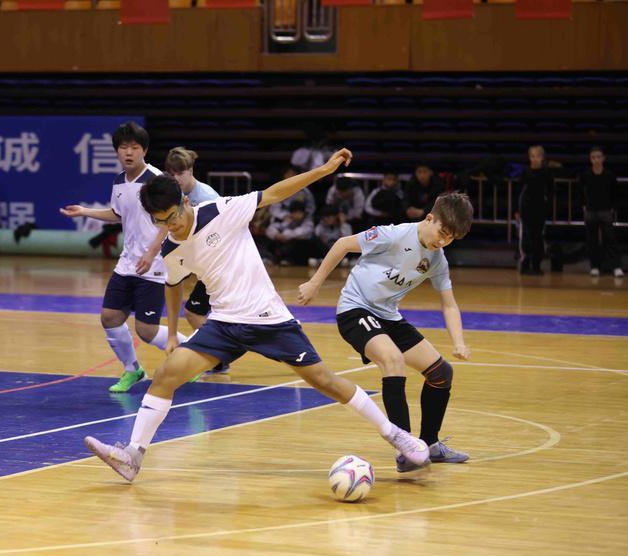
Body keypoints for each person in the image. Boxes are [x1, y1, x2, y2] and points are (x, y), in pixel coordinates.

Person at [83, 148, 432, 483]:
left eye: (173, 216)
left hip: (268, 319)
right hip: (224, 323)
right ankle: (133, 455)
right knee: (165, 375)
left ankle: (395, 434)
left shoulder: (221, 210)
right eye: (161, 221)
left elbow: (275, 193)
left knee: (326, 381)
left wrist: (325, 170)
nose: (171, 225)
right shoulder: (171, 249)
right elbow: (173, 286)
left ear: (185, 202)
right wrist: (172, 332)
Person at [297, 192, 475, 473]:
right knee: (393, 360)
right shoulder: (394, 235)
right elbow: (343, 244)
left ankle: (429, 444)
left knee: (441, 373)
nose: (443, 241)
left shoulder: (437, 259)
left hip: (388, 316)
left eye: (451, 238)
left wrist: (459, 342)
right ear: (430, 218)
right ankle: (405, 450)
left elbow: (449, 304)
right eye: (442, 233)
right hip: (355, 310)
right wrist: (315, 283)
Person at [60, 122, 191, 393]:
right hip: (127, 262)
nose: (128, 152)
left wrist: (152, 251)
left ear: (144, 150)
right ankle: (133, 370)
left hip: (155, 263)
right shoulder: (119, 181)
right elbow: (118, 214)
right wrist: (85, 211)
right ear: (117, 151)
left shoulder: (157, 180)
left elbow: (173, 217)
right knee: (109, 317)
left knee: (146, 330)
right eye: (123, 147)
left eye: (134, 147)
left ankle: (194, 354)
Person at [165, 146, 230, 374]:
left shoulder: (207, 198)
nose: (176, 178)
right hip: (205, 263)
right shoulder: (173, 196)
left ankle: (223, 355)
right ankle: (220, 359)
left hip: (222, 261)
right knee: (198, 312)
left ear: (191, 170)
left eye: (181, 173)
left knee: (194, 313)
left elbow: (223, 233)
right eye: (172, 173)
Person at [580, 146, 623, 278]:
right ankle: (595, 266)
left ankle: (616, 266)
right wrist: (584, 206)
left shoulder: (609, 175)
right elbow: (581, 192)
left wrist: (612, 207)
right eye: (593, 157)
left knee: (610, 238)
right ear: (590, 159)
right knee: (592, 240)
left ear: (603, 158)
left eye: (598, 157)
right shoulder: (586, 175)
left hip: (605, 211)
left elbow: (615, 192)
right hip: (591, 211)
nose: (596, 160)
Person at [517, 145, 553, 275]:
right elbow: (519, 191)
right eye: (532, 156)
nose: (535, 159)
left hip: (540, 208)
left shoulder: (546, 173)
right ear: (529, 157)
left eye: (538, 156)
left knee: (538, 237)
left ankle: (536, 264)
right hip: (526, 208)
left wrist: (547, 205)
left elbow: (551, 191)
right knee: (526, 236)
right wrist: (517, 210)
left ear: (542, 157)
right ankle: (525, 263)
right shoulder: (526, 172)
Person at [265, 200, 315, 265]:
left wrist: (285, 235)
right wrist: (276, 235)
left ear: (303, 213)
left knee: (297, 243)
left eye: (299, 213)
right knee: (274, 241)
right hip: (289, 243)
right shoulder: (289, 220)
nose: (297, 215)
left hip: (306, 248)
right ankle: (273, 258)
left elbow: (301, 232)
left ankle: (289, 260)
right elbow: (271, 228)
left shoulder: (308, 220)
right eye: (295, 213)